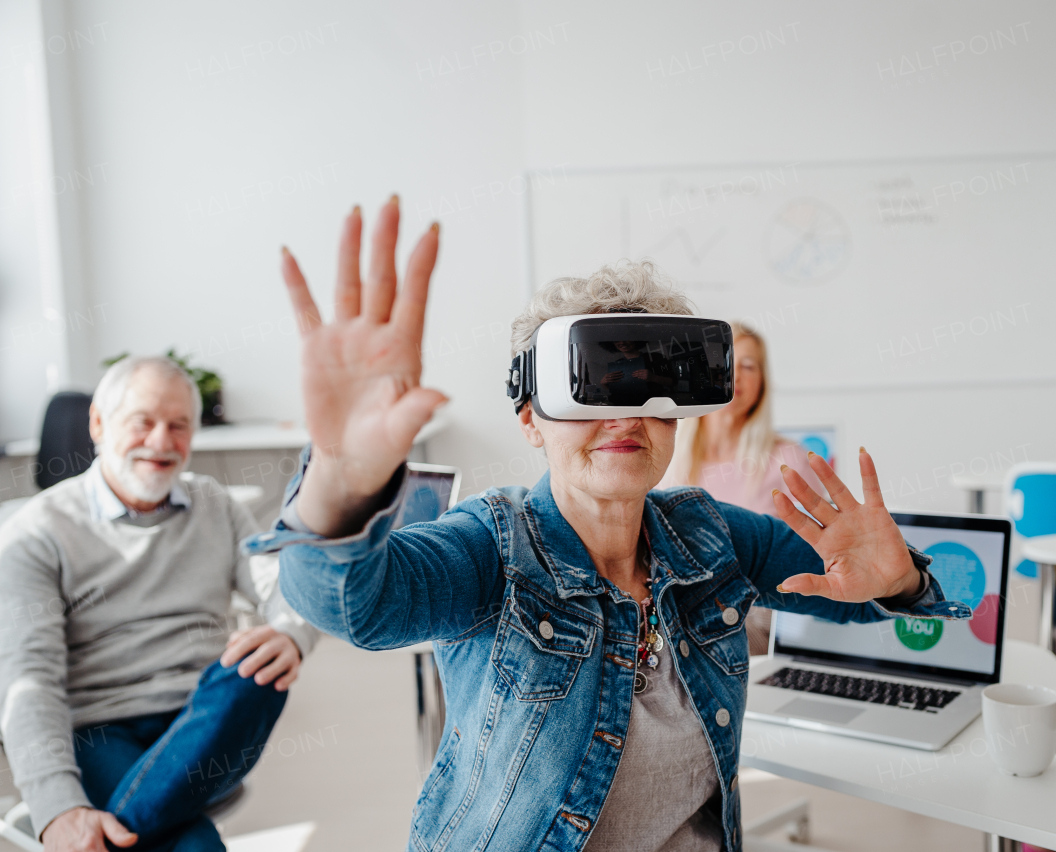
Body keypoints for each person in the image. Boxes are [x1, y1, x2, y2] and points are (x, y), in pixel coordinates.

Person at [253, 197, 970, 851]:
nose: (625, 416)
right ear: (531, 418)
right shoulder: (492, 549)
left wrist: (903, 581)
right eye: (594, 389)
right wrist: (341, 481)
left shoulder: (711, 535)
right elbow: (355, 606)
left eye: (650, 389)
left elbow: (850, 591)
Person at [0, 356, 319, 852]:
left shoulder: (216, 505)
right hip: (100, 727)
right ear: (99, 424)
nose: (161, 442)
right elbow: (28, 678)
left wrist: (292, 632)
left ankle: (110, 834)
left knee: (257, 670)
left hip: (205, 720)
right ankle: (127, 827)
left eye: (179, 426)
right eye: (143, 422)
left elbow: (282, 583)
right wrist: (58, 806)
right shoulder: (35, 532)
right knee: (194, 846)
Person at [660, 322, 828, 654]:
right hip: (672, 615)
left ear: (762, 382)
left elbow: (821, 550)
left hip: (752, 621)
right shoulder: (666, 452)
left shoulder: (788, 459)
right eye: (723, 362)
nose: (734, 375)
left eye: (748, 366)